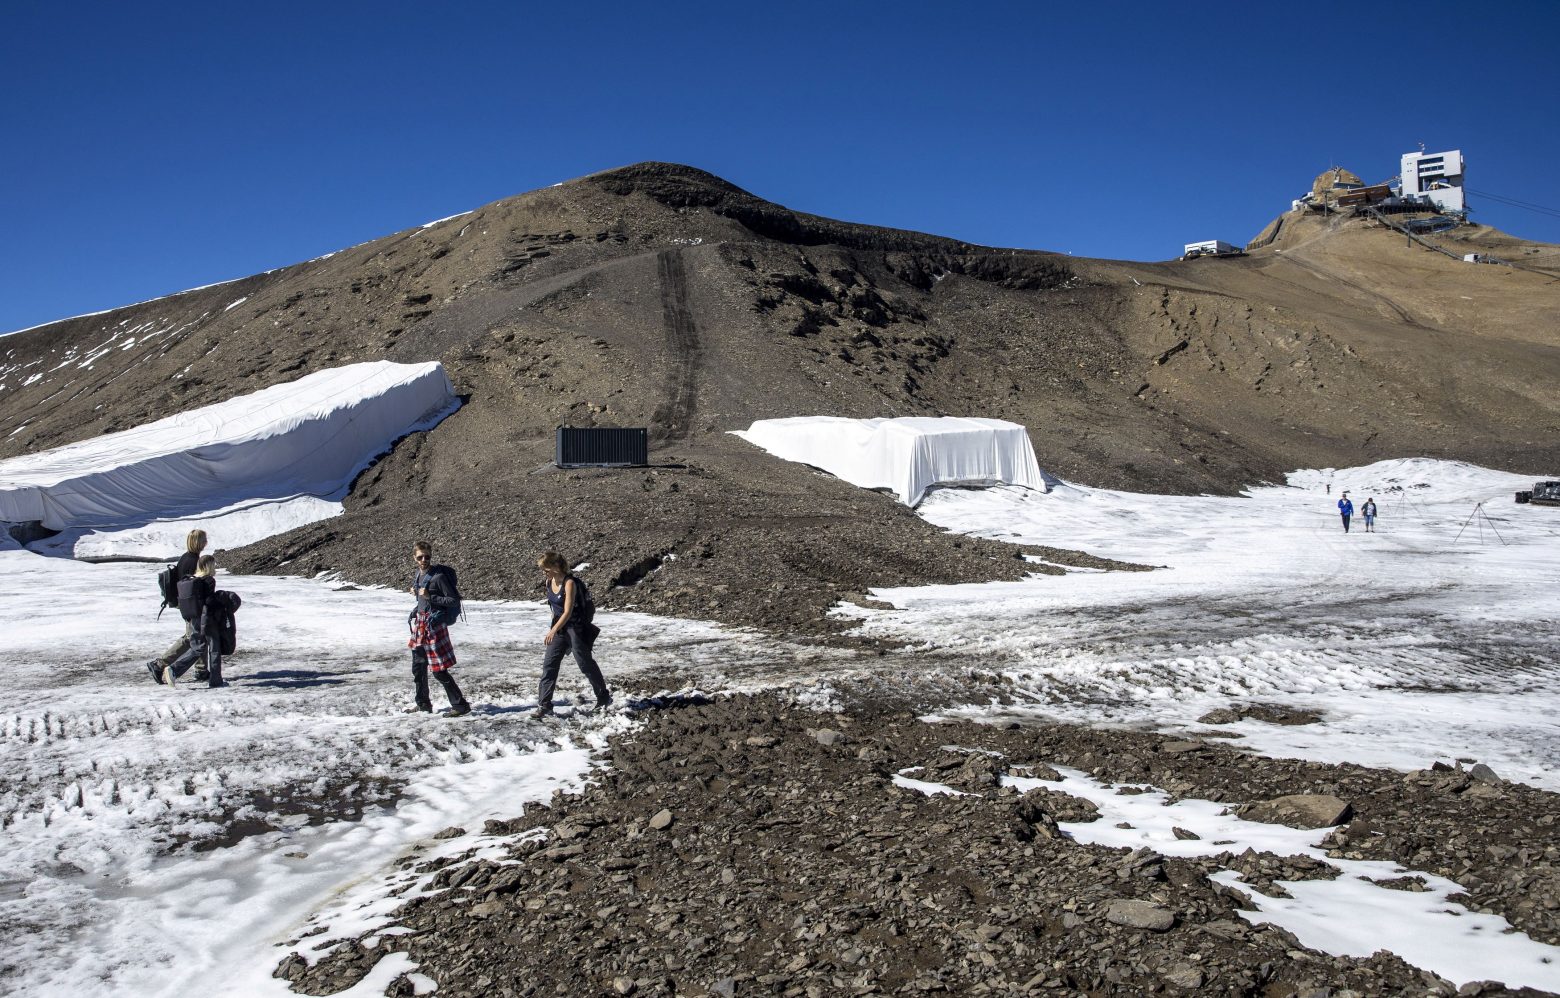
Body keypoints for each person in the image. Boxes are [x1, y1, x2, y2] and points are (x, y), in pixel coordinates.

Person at [536, 551, 612, 718]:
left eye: (546, 569)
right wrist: (554, 627)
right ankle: (544, 705)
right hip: (559, 628)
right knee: (549, 665)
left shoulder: (570, 583)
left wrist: (553, 630)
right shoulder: (549, 582)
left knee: (585, 664)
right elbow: (554, 608)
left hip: (575, 629)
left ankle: (603, 696)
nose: (544, 572)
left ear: (556, 567)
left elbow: (567, 611)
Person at [407, 540, 470, 718]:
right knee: (418, 667)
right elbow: (424, 600)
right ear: (414, 558)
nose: (424, 560)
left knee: (438, 670)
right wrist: (418, 604)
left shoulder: (439, 577)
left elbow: (453, 600)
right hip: (421, 624)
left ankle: (460, 705)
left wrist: (430, 597)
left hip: (433, 627)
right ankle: (423, 704)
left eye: (427, 557)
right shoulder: (418, 575)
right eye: (420, 557)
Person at [147, 529, 209, 684]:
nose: (206, 542)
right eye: (204, 539)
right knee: (192, 637)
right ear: (198, 542)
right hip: (190, 604)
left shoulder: (185, 557)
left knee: (198, 635)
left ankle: (201, 670)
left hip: (185, 603)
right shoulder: (193, 561)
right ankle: (159, 664)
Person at [163, 555, 228, 688]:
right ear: (209, 565)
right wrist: (221, 599)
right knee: (214, 648)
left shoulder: (193, 579)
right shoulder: (209, 580)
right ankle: (216, 681)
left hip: (194, 619)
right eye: (213, 564)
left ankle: (174, 670)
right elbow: (209, 601)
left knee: (198, 647)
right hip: (207, 619)